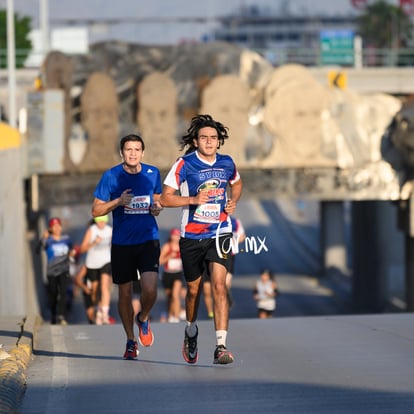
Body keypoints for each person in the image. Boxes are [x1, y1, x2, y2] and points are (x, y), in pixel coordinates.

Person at [160, 114, 243, 365]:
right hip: (192, 236)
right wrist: (193, 200)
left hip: (220, 232)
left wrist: (233, 201)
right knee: (194, 291)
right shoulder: (184, 164)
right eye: (204, 138)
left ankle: (221, 346)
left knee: (219, 285)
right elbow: (165, 198)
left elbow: (237, 184)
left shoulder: (227, 163)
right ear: (195, 141)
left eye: (213, 138)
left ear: (219, 142)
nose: (209, 142)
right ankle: (191, 331)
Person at [92, 133, 163, 360]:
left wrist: (156, 208)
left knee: (150, 289)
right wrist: (117, 202)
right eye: (128, 149)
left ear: (143, 152)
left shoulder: (153, 173)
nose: (132, 153)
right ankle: (131, 340)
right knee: (125, 292)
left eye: (136, 149)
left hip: (148, 239)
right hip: (122, 243)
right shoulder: (111, 176)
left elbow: (159, 200)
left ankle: (143, 318)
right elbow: (96, 211)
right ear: (121, 152)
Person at [36, 217, 77, 325]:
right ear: (50, 228)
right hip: (51, 272)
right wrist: (42, 239)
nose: (57, 228)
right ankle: (54, 315)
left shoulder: (66, 239)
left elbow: (72, 250)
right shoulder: (48, 240)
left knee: (63, 293)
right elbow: (37, 250)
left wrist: (72, 253)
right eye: (54, 226)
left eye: (58, 226)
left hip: (64, 270)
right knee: (53, 294)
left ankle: (62, 316)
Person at [79, 215, 113, 325]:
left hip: (106, 261)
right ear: (96, 221)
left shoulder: (110, 231)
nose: (102, 223)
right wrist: (94, 242)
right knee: (94, 291)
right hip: (92, 264)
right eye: (99, 221)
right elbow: (82, 248)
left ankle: (105, 314)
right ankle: (98, 309)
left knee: (104, 286)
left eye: (104, 221)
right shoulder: (91, 231)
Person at [159, 228, 185, 323]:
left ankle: (176, 316)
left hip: (178, 274)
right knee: (170, 296)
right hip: (167, 274)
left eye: (177, 236)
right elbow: (160, 261)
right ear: (171, 236)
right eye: (174, 235)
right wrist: (169, 256)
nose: (175, 238)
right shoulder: (167, 246)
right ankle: (171, 314)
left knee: (175, 294)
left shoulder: (182, 246)